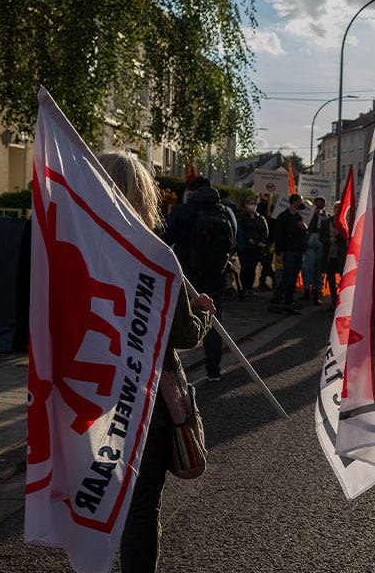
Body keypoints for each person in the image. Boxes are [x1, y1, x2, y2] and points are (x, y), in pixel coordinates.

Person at [96, 151, 215, 573]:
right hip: (146, 406)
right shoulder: (155, 255)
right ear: (143, 195)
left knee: (94, 503)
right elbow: (182, 333)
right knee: (141, 507)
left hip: (90, 398)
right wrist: (203, 313)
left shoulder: (76, 248)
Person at [162, 177, 234, 382]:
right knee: (213, 319)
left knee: (183, 319)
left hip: (188, 276)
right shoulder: (225, 212)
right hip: (216, 275)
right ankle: (214, 370)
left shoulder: (182, 211)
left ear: (190, 192)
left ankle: (176, 373)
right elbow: (234, 240)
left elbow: (163, 242)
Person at [269, 193, 308, 315]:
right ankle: (274, 302)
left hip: (298, 250)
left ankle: (288, 303)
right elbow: (279, 236)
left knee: (293, 279)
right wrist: (278, 253)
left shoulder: (298, 217)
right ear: (295, 202)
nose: (302, 204)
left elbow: (303, 234)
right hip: (288, 251)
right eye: (300, 201)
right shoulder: (283, 217)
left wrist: (304, 228)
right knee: (287, 278)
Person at [237, 197, 268, 300]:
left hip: (257, 248)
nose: (252, 205)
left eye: (254, 203)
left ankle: (249, 288)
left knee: (252, 268)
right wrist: (249, 240)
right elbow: (240, 231)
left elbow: (265, 231)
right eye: (250, 203)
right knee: (245, 268)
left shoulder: (260, 217)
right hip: (246, 247)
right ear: (245, 205)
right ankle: (244, 288)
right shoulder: (241, 216)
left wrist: (262, 241)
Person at [301, 196, 326, 305]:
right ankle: (306, 290)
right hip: (309, 240)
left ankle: (316, 293)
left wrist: (320, 216)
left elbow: (324, 228)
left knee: (318, 269)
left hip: (320, 242)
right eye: (317, 203)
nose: (318, 205)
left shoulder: (325, 215)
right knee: (307, 267)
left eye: (321, 203)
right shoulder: (307, 213)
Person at [255, 194, 277, 290]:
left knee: (267, 261)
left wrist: (271, 216)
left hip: (270, 239)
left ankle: (262, 281)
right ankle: (273, 278)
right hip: (259, 240)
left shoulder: (273, 208)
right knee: (265, 262)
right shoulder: (258, 207)